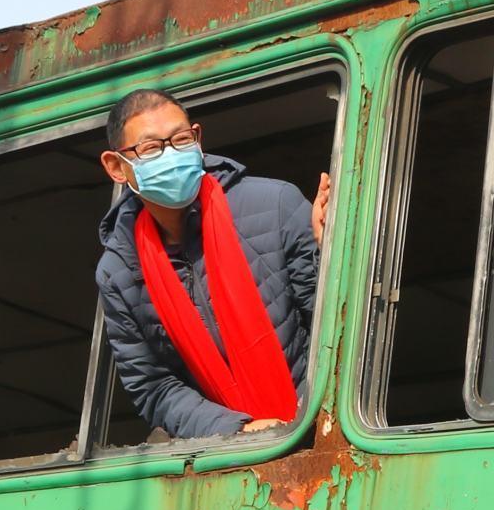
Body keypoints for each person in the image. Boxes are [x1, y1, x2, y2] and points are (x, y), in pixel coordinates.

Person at [93, 89, 329, 441]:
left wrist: (326, 253)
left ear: (198, 139)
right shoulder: (119, 270)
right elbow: (153, 386)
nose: (171, 155)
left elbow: (329, 323)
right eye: (151, 148)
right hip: (228, 453)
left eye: (181, 139)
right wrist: (236, 430)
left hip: (318, 426)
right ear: (116, 167)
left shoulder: (276, 205)